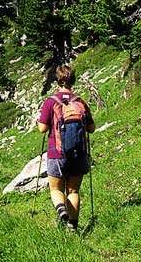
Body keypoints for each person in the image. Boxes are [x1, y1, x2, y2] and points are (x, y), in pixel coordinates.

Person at [36, 64, 95, 229]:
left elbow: (42, 129)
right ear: (73, 81)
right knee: (73, 191)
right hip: (78, 153)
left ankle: (61, 210)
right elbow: (91, 128)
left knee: (55, 189)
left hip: (57, 153)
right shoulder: (80, 102)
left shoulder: (51, 102)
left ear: (57, 81)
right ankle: (73, 227)